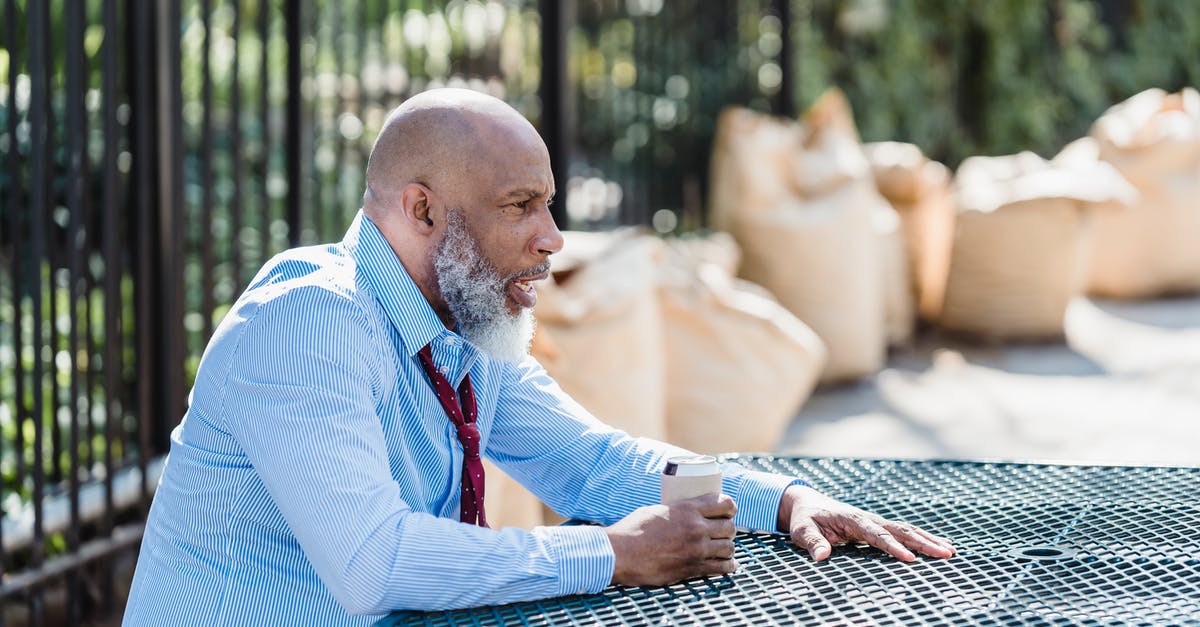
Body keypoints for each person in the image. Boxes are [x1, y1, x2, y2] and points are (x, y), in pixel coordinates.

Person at [123, 88, 954, 626]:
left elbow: (591, 461)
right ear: (422, 211)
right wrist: (615, 553)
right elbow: (375, 564)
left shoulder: (459, 323)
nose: (552, 238)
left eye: (547, 205)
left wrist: (781, 499)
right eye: (521, 206)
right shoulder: (308, 319)